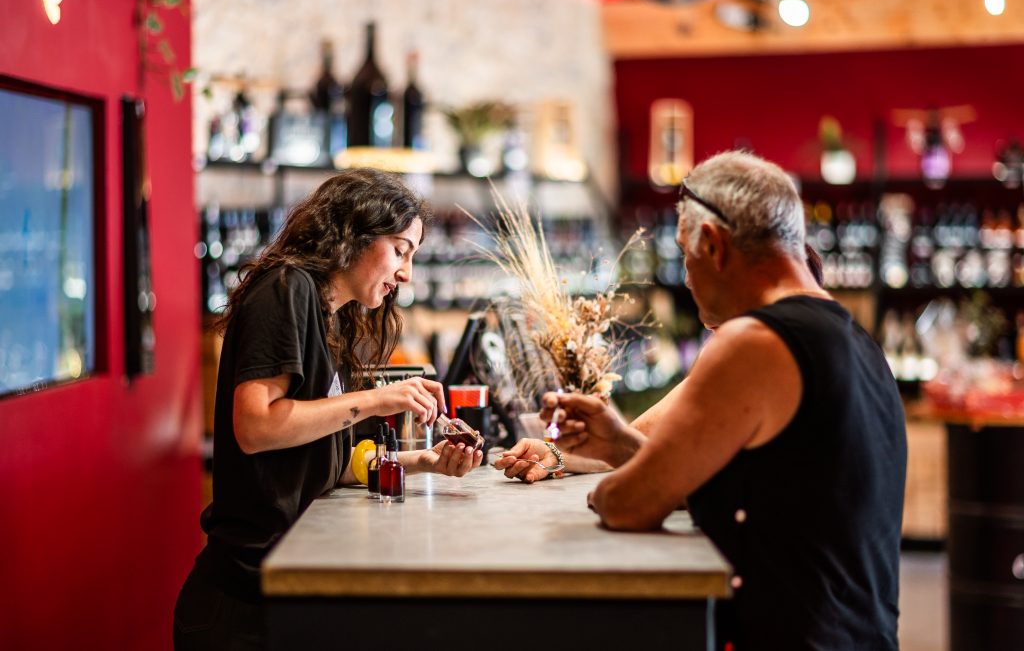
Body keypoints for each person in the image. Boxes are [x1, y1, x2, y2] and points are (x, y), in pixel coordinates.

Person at [496, 151, 906, 650]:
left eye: (686, 256)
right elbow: (769, 492)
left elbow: (629, 505)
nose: (687, 278)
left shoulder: (754, 340)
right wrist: (620, 445)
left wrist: (613, 485)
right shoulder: (852, 337)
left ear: (713, 245)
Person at [174, 168, 483, 650]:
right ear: (355, 232)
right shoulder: (286, 288)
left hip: (284, 586)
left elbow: (328, 462)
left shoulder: (330, 319)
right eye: (400, 250)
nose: (406, 273)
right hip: (241, 604)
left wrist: (425, 463)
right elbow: (255, 427)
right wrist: (376, 399)